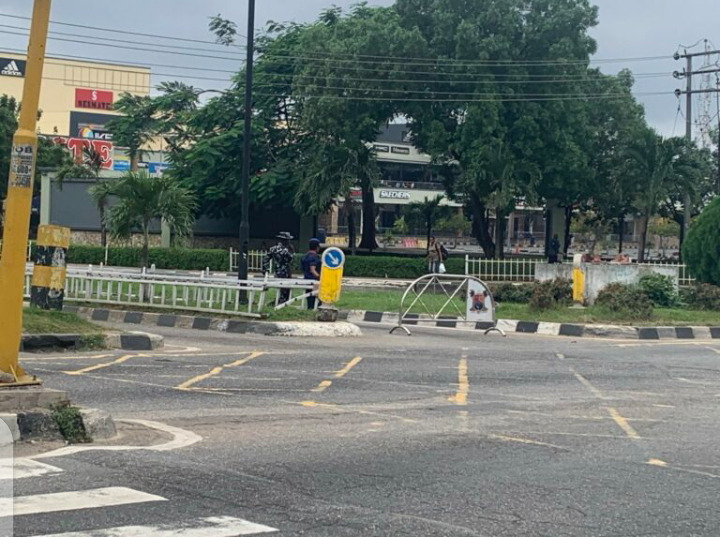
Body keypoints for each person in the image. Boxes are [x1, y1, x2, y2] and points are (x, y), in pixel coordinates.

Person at [262, 232, 295, 304]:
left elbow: (265, 259)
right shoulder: (287, 249)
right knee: (284, 287)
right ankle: (282, 300)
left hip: (278, 270)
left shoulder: (274, 248)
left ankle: (282, 299)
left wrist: (265, 269)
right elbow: (291, 258)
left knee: (282, 287)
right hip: (285, 270)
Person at [301, 238, 322, 310]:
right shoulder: (315, 257)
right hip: (315, 281)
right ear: (317, 247)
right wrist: (320, 277)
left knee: (309, 299)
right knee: (318, 299)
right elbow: (313, 270)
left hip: (306, 280)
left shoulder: (304, 256)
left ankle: (309, 310)